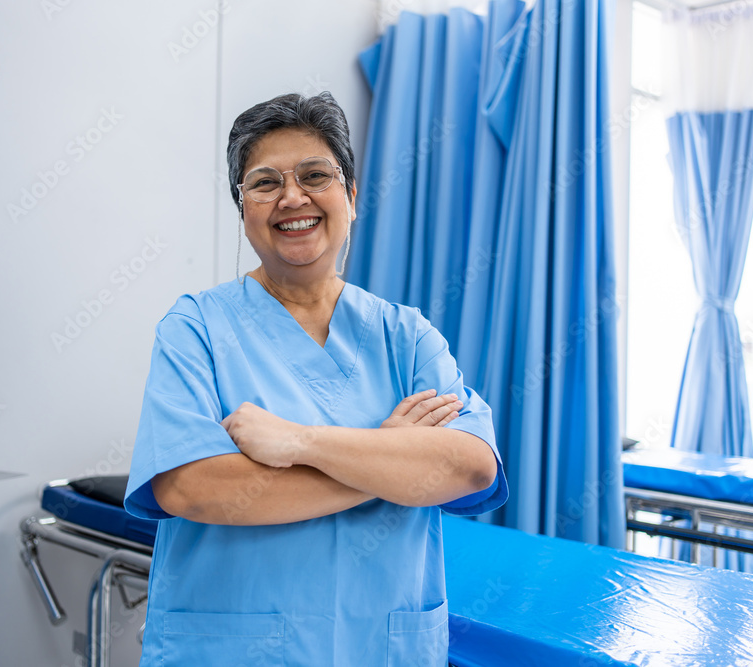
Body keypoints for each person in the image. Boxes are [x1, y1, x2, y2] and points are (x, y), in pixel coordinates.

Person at [124, 92, 508, 666]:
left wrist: (300, 443)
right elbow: (191, 487)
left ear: (351, 198)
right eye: (264, 182)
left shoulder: (407, 336)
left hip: (378, 647)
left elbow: (469, 465)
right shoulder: (196, 328)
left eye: (315, 175)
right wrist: (393, 459)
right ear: (243, 208)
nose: (292, 197)